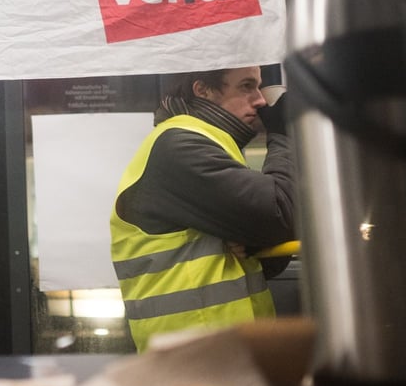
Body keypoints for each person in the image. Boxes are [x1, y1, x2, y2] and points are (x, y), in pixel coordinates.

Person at [109, 66, 295, 352]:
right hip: (196, 353)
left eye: (258, 87)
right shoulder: (181, 146)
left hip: (228, 349)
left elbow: (272, 241)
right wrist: (283, 135)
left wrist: (258, 241)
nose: (259, 100)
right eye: (246, 86)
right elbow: (280, 213)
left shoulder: (214, 145)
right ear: (203, 90)